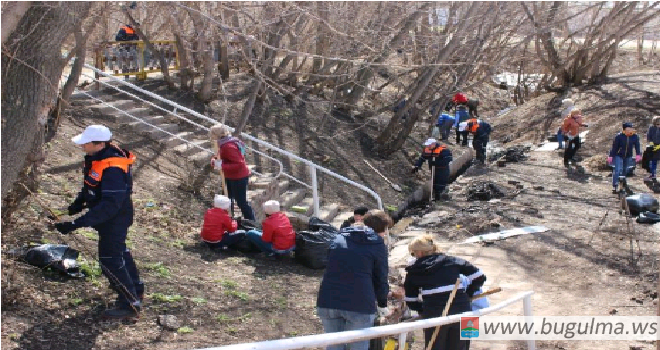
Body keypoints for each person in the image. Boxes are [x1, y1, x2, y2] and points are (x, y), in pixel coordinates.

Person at [54, 125, 143, 320]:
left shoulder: (113, 168)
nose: (82, 145)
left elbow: (110, 205)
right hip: (110, 218)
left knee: (110, 260)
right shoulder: (99, 158)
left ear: (99, 144)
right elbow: (93, 184)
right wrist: (79, 203)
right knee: (119, 253)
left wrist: (76, 224)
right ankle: (136, 290)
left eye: (86, 143)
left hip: (114, 219)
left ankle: (130, 304)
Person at [316, 211, 391, 350]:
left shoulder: (338, 237)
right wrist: (382, 303)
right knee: (358, 346)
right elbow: (380, 277)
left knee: (334, 345)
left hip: (328, 300)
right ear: (380, 230)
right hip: (360, 303)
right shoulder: (377, 244)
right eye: (385, 231)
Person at [404, 235, 486, 350]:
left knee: (435, 347)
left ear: (420, 253)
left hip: (434, 314)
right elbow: (480, 277)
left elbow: (411, 300)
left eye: (413, 254)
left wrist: (423, 310)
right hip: (464, 309)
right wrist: (467, 294)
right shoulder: (452, 260)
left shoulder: (414, 271)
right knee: (462, 347)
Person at [209, 124, 255, 221]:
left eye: (212, 133)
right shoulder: (221, 143)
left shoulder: (228, 146)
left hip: (238, 178)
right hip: (229, 176)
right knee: (227, 199)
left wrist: (221, 165)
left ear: (218, 134)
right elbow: (218, 156)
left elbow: (239, 164)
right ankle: (229, 220)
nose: (210, 136)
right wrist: (214, 161)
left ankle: (252, 222)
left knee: (241, 202)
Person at [608, 122, 641, 194]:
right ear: (624, 129)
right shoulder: (619, 136)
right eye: (628, 129)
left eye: (631, 129)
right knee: (617, 170)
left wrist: (638, 154)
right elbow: (614, 147)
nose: (630, 130)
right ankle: (615, 185)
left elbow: (637, 146)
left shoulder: (635, 136)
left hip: (628, 156)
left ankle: (622, 184)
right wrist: (611, 156)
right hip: (618, 155)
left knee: (625, 170)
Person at [645, 116, 660, 181]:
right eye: (657, 123)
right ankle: (653, 174)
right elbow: (649, 136)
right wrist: (651, 144)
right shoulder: (651, 128)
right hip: (653, 146)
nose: (658, 125)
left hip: (659, 146)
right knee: (653, 161)